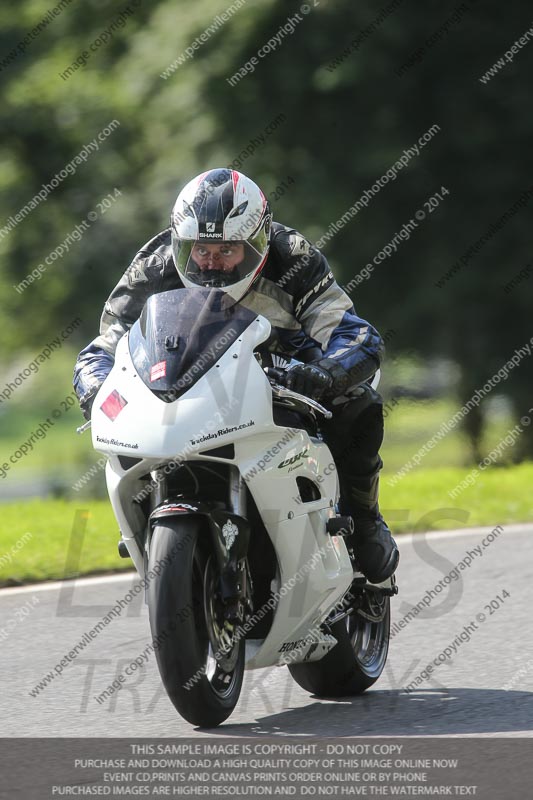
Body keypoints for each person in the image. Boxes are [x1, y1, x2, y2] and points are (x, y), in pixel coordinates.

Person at [73, 168, 399, 584]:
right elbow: (103, 347)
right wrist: (99, 389)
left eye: (227, 250)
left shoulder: (293, 257)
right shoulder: (155, 265)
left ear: (257, 244)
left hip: (282, 373)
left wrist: (324, 374)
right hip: (187, 387)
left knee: (359, 401)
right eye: (200, 251)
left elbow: (354, 333)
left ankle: (366, 519)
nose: (211, 263)